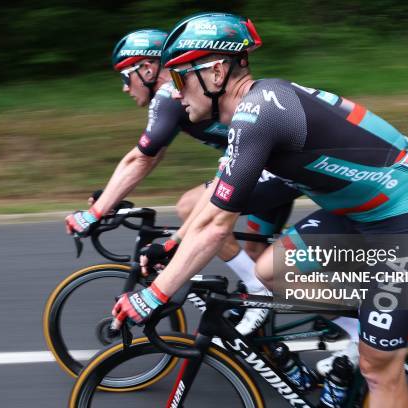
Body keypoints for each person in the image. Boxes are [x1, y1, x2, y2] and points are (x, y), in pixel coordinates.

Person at [111, 13, 408, 408]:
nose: (174, 94)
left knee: (378, 368)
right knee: (270, 271)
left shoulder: (260, 113)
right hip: (364, 213)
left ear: (215, 73)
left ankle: (374, 342)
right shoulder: (251, 113)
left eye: (179, 78)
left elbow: (214, 227)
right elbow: (215, 210)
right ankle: (367, 323)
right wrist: (173, 243)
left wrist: (154, 296)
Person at [64, 28, 301, 334]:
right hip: (264, 167)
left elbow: (142, 160)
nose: (124, 88)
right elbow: (149, 154)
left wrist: (94, 215)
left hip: (268, 168)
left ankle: (259, 293)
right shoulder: (180, 94)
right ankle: (313, 322)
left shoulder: (167, 97)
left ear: (147, 69)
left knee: (193, 207)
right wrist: (107, 200)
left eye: (126, 76)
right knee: (257, 259)